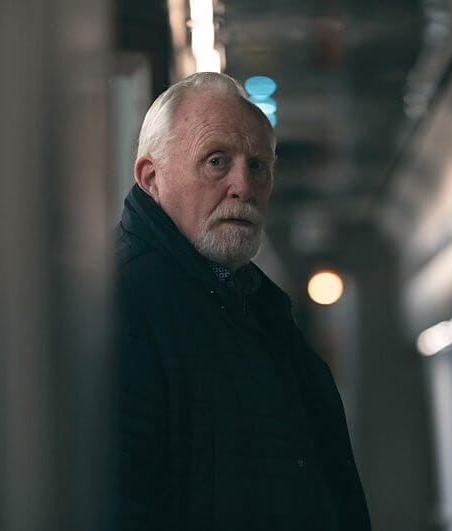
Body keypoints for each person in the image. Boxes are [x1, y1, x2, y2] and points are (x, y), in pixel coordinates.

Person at [114, 72, 371, 530]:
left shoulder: (252, 306)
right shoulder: (126, 304)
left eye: (258, 166)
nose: (243, 187)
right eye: (216, 162)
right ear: (152, 179)